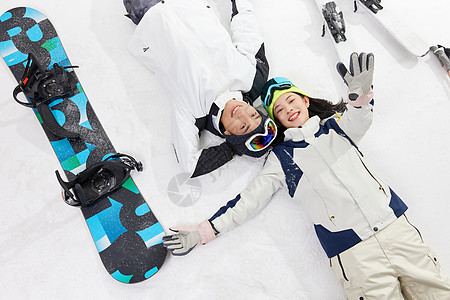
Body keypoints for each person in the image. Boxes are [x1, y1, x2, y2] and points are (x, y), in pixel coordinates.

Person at [162, 52, 450, 299]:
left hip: (397, 231)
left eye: (291, 100)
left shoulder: (338, 128)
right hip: (355, 254)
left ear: (304, 100)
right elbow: (248, 202)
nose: (288, 108)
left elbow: (359, 118)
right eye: (279, 109)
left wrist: (361, 96)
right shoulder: (282, 158)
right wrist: (203, 231)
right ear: (275, 121)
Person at [124, 0, 275, 177]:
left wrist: (229, 150)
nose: (242, 113)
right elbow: (246, 27)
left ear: (228, 134)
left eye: (242, 126)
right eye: (254, 115)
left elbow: (190, 166)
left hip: (151, 14)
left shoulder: (194, 114)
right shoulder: (253, 77)